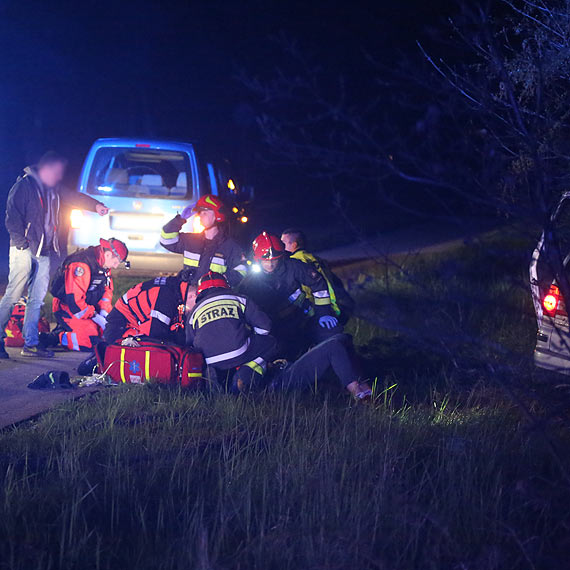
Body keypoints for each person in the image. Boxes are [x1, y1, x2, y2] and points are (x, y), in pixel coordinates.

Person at [0, 151, 109, 358]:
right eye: (57, 172)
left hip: (44, 252)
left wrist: (96, 206)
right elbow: (11, 217)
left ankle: (31, 344)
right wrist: (23, 245)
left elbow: (73, 196)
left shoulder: (52, 189)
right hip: (23, 250)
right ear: (46, 169)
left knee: (36, 300)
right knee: (13, 296)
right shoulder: (24, 186)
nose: (59, 177)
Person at [238, 232, 342, 358]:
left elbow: (318, 284)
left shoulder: (293, 266)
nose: (270, 264)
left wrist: (323, 313)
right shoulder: (250, 282)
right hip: (276, 328)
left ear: (281, 256)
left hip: (303, 318)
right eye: (265, 261)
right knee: (287, 355)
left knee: (332, 333)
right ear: (257, 259)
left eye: (274, 260)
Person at [186, 271, 277, 392]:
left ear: (200, 292)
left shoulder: (194, 311)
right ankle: (246, 374)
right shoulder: (239, 298)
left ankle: (212, 379)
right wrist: (249, 337)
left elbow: (190, 342)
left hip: (209, 360)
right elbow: (265, 327)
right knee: (271, 343)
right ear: (225, 285)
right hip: (239, 352)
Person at [50, 238, 128, 351]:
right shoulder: (81, 265)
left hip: (89, 309)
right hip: (68, 309)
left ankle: (70, 329)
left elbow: (107, 291)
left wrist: (104, 312)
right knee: (90, 341)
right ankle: (56, 337)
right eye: (115, 262)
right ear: (107, 254)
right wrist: (95, 317)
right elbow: (75, 302)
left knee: (110, 333)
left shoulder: (103, 265)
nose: (115, 266)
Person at [159, 194, 247, 286]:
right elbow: (166, 239)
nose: (201, 215)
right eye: (200, 212)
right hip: (189, 296)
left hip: (213, 297)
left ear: (217, 215)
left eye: (205, 212)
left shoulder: (230, 246)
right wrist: (180, 219)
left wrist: (221, 281)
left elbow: (242, 270)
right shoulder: (191, 241)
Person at [281, 228, 355, 323]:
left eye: (283, 243)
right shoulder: (314, 258)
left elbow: (308, 289)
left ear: (294, 245)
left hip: (317, 310)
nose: (280, 247)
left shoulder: (296, 261)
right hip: (335, 306)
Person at [268, 334, 372, 400]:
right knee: (333, 346)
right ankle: (360, 396)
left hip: (284, 368)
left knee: (343, 338)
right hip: (279, 382)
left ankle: (366, 391)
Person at [104, 270, 193, 346]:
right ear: (192, 295)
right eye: (194, 307)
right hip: (120, 327)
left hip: (131, 321)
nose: (191, 311)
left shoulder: (176, 289)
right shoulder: (166, 296)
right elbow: (155, 334)